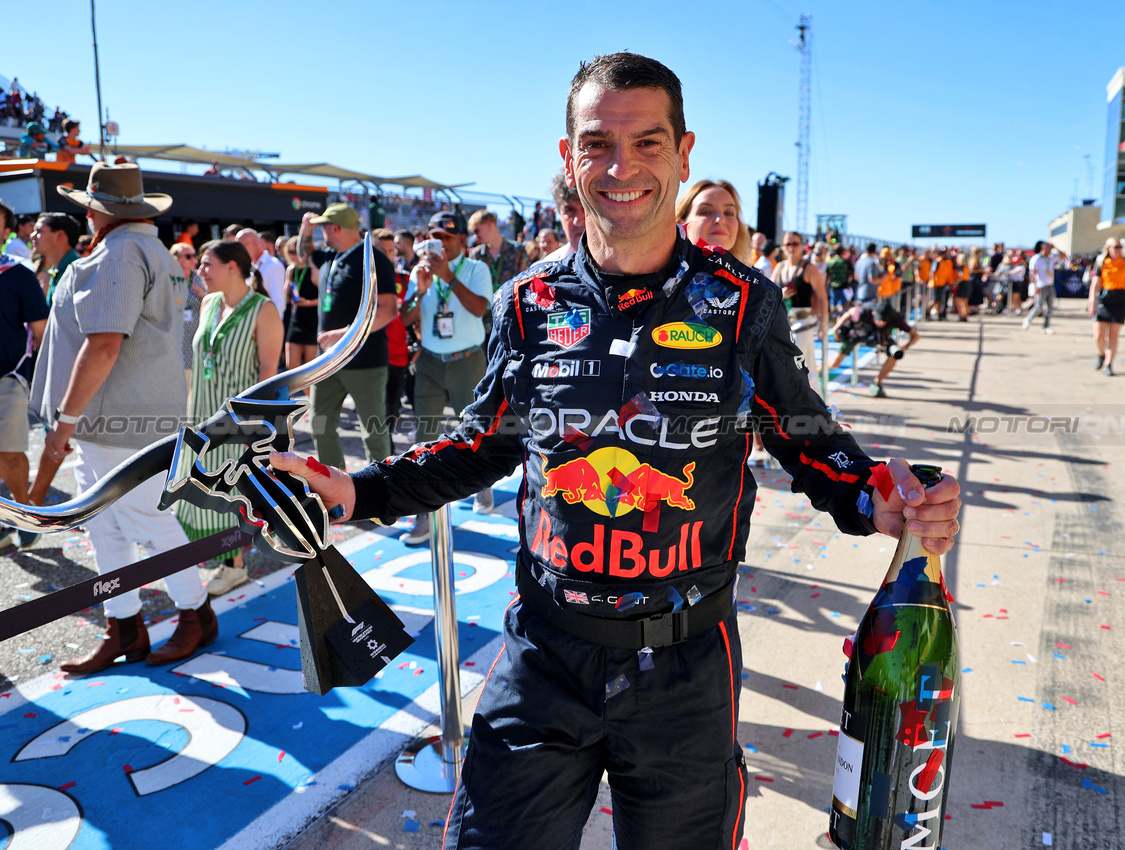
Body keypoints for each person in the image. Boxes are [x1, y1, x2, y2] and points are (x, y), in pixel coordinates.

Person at [270, 53, 960, 850]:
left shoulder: (741, 303)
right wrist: (355, 491)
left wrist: (873, 494)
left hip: (686, 669)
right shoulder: (525, 303)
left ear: (683, 151)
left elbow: (810, 442)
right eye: (597, 143)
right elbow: (481, 446)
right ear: (567, 157)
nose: (620, 166)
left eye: (647, 143)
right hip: (543, 655)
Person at [26, 162, 216, 671]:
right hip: (128, 415)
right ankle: (126, 625)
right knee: (106, 527)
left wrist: (64, 423)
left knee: (145, 523)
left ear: (97, 212)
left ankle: (194, 613)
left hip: (115, 418)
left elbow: (105, 344)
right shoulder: (152, 250)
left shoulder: (121, 251)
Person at [178, 240, 283, 594]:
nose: (200, 271)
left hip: (238, 422)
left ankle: (235, 565)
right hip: (202, 412)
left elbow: (269, 374)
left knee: (231, 493)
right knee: (201, 489)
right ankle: (219, 558)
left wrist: (255, 429)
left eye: (207, 264)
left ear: (232, 267)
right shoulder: (208, 303)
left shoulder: (263, 310)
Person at [398, 211, 494, 544]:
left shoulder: (476, 269)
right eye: (435, 237)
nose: (440, 244)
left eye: (447, 237)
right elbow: (406, 317)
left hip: (467, 360)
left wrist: (449, 277)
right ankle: (425, 514)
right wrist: (421, 291)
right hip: (429, 362)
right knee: (424, 436)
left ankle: (481, 487)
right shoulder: (420, 271)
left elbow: (481, 309)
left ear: (462, 241)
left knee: (475, 433)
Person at [296, 203, 399, 470]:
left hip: (365, 362)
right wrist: (305, 230)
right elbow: (303, 254)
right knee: (320, 423)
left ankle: (380, 496)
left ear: (336, 228)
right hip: (328, 361)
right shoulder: (331, 255)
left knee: (373, 431)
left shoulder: (373, 258)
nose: (322, 234)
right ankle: (334, 487)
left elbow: (388, 311)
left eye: (322, 228)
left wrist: (343, 335)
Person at [0, 203, 49, 550]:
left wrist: (45, 382)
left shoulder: (18, 274)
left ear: (7, 232)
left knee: (10, 453)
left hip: (9, 377)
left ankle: (24, 514)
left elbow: (42, 332)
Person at [771, 231, 828, 391]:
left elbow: (823, 297)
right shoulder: (780, 267)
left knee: (795, 362)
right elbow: (769, 294)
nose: (791, 247)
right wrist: (780, 294)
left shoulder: (809, 268)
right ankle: (814, 402)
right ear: (783, 246)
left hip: (803, 322)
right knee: (806, 365)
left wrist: (824, 325)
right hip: (783, 322)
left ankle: (807, 402)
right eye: (787, 244)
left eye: (795, 243)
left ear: (801, 246)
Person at [827, 299, 920, 397]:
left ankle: (877, 382)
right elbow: (850, 313)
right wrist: (835, 329)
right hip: (856, 335)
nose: (880, 322)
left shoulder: (895, 318)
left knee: (895, 354)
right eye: (878, 319)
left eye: (884, 321)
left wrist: (905, 346)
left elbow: (916, 335)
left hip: (879, 339)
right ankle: (816, 371)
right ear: (874, 313)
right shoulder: (865, 311)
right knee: (835, 363)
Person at [373, 227, 411, 439]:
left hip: (398, 357)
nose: (386, 255)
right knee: (374, 418)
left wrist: (419, 348)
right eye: (381, 250)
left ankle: (387, 457)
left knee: (390, 416)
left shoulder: (404, 279)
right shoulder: (363, 281)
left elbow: (417, 316)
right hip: (373, 359)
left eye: (390, 250)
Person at [674, 178, 751, 258]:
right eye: (706, 212)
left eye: (729, 213)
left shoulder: (752, 270)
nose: (720, 219)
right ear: (681, 224)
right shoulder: (665, 269)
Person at [1089, 237, 1125, 376]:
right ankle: (1101, 354)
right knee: (1099, 336)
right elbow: (1095, 283)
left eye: (1120, 247)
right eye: (1116, 247)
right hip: (1104, 298)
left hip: (1119, 298)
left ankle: (1109, 363)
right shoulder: (1102, 264)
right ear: (1109, 248)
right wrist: (1091, 301)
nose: (1118, 249)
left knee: (1113, 334)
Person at [168, 241, 206, 390]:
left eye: (194, 256)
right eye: (188, 256)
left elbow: (215, 302)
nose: (194, 260)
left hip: (195, 337)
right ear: (177, 259)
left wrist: (202, 294)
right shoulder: (168, 278)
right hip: (175, 337)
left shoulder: (200, 279)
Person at [282, 236, 320, 383]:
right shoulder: (291, 270)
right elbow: (285, 296)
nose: (294, 256)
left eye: (296, 252)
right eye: (290, 252)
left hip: (312, 320)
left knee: (311, 369)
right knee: (291, 366)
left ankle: (315, 402)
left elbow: (324, 298)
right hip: (295, 319)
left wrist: (309, 303)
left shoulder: (313, 270)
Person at [469, 210, 528, 292]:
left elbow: (525, 283)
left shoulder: (517, 250)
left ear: (489, 224)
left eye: (477, 231)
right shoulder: (476, 254)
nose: (475, 236)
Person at [235, 228, 287, 320]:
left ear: (255, 244)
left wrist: (271, 328)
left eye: (242, 245)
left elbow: (278, 301)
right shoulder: (251, 266)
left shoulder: (273, 265)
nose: (239, 250)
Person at [31, 213, 80, 306]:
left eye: (39, 231)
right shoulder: (56, 270)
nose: (32, 236)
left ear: (59, 235)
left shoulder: (80, 271)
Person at [541, 169, 587, 262]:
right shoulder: (545, 271)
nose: (577, 221)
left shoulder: (623, 270)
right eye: (569, 210)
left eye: (587, 208)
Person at [1023, 241, 1064, 333]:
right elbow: (1032, 273)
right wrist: (1035, 285)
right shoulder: (1036, 258)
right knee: (1038, 306)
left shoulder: (1051, 258)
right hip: (1041, 286)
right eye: (1048, 248)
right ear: (1043, 249)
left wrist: (1055, 247)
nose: (1050, 250)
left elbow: (1064, 255)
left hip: (1050, 285)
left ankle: (1046, 327)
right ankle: (1028, 319)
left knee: (1049, 308)